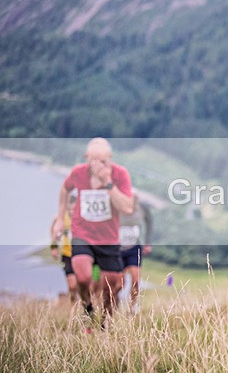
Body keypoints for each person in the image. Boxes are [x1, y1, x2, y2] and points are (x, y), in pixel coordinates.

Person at [52, 137, 134, 329]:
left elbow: (127, 208)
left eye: (103, 162)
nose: (98, 166)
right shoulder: (78, 173)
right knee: (82, 275)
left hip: (108, 238)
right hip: (82, 233)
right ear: (87, 158)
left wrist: (108, 183)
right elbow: (64, 190)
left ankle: (106, 322)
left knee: (111, 287)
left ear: (110, 158)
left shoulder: (120, 174)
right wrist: (60, 216)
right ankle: (88, 307)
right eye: (94, 161)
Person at [119, 193, 153, 314]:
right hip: (118, 249)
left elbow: (149, 221)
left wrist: (148, 242)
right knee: (120, 283)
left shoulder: (141, 208)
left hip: (134, 248)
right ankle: (114, 301)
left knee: (136, 279)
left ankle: (132, 306)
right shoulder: (117, 207)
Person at [50, 192, 77, 304]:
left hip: (81, 254)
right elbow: (53, 231)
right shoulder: (61, 218)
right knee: (72, 285)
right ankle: (73, 305)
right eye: (69, 208)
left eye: (74, 208)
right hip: (67, 254)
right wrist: (54, 247)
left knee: (85, 284)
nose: (72, 211)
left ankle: (84, 307)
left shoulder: (81, 217)